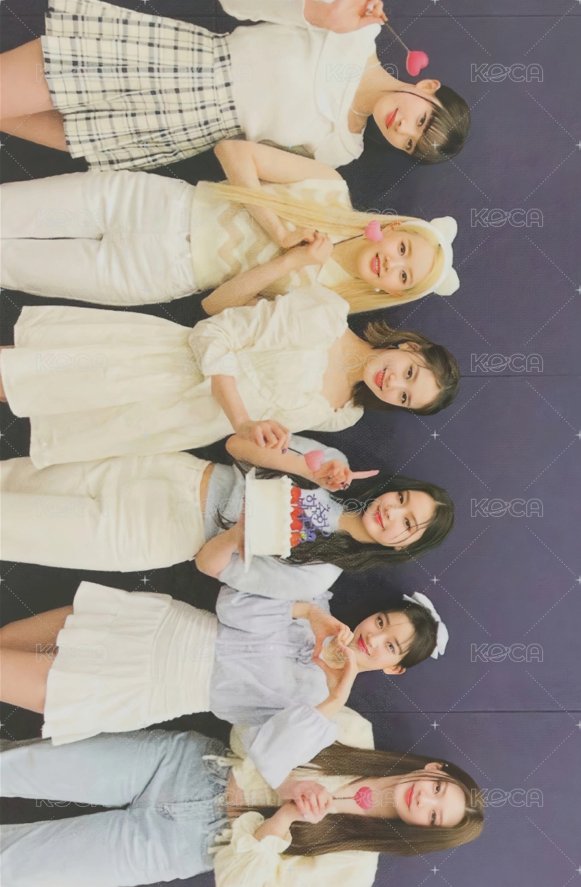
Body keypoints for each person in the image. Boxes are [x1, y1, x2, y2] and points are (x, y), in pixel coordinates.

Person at [0, 284, 460, 468]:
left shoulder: (344, 415)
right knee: (23, 379)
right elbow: (213, 332)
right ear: (409, 348)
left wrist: (290, 456)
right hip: (162, 368)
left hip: (172, 424)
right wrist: (242, 418)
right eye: (409, 373)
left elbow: (254, 445)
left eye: (404, 396)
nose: (393, 385)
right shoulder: (325, 314)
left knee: (49, 423)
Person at [0, 721, 484, 887]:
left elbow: (240, 883)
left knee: (20, 868)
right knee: (20, 764)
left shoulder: (353, 870)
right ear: (435, 769)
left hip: (179, 844)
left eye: (433, 815)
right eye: (438, 790)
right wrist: (287, 779)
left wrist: (287, 817)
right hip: (184, 764)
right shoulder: (353, 730)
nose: (424, 800)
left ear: (424, 830)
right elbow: (252, 723)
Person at [0, 0, 470, 171]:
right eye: (421, 120)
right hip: (175, 60)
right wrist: (318, 11)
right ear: (427, 86)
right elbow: (236, 2)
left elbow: (254, 168)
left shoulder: (342, 150)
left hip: (178, 130)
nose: (402, 129)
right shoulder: (355, 31)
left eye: (410, 144)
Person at [0, 579, 449, 756]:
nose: (373, 638)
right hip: (160, 627)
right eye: (381, 623)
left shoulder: (321, 709)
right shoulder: (315, 601)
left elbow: (265, 755)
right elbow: (231, 600)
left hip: (153, 689)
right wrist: (304, 612)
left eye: (390, 646)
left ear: (394, 668)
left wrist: (335, 695)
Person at [0, 140, 459, 310]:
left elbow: (215, 306)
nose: (392, 263)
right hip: (153, 204)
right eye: (404, 250)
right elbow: (232, 152)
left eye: (404, 276)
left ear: (392, 292)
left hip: (157, 273)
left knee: (10, 266)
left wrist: (289, 262)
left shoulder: (325, 306)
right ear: (394, 228)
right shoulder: (329, 187)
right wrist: (279, 231)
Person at [0, 433, 454, 579]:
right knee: (18, 477)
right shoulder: (336, 464)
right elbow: (237, 444)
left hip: (161, 533)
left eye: (407, 523)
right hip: (171, 471)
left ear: (402, 547)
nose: (392, 512)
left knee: (16, 527)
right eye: (400, 499)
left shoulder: (319, 574)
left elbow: (207, 566)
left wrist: (240, 534)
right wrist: (309, 471)